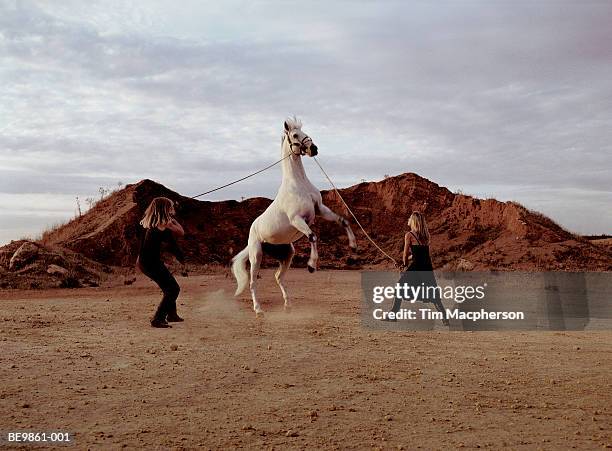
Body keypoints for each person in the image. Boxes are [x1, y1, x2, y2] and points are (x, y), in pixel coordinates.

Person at [390, 211, 449, 327]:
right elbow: (420, 254)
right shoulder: (426, 236)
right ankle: (445, 318)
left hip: (417, 267)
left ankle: (393, 316)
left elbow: (405, 255)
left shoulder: (409, 235)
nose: (408, 219)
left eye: (410, 218)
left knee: (399, 287)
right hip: (427, 267)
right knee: (433, 293)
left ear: (413, 221)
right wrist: (405, 263)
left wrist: (404, 264)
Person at [137, 197, 185, 328]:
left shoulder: (151, 223)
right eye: (170, 207)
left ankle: (171, 315)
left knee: (168, 286)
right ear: (165, 209)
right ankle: (158, 318)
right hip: (151, 263)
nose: (172, 209)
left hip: (146, 262)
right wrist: (173, 219)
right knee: (173, 289)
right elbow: (181, 232)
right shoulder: (164, 224)